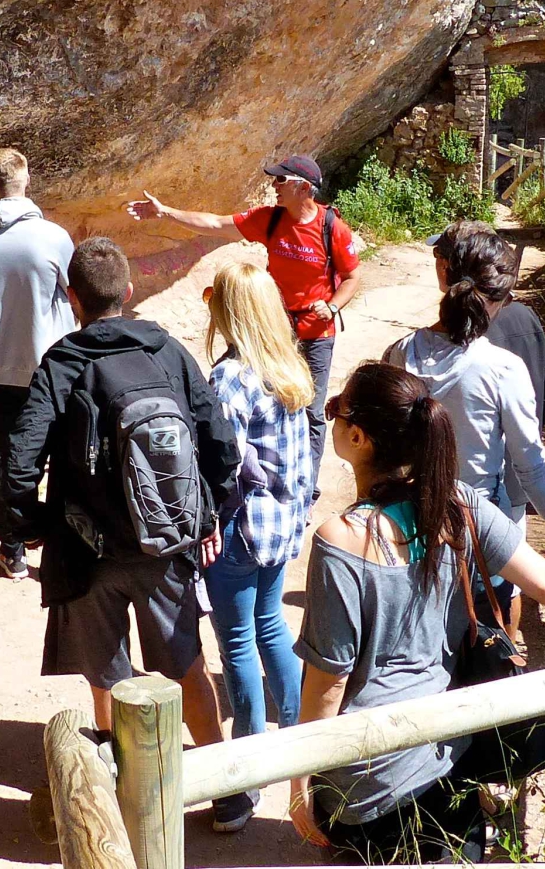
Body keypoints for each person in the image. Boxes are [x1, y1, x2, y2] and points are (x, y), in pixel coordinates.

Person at [289, 362, 545, 864]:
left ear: (357, 437)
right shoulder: (456, 504)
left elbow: (329, 681)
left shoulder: (341, 540)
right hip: (451, 749)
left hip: (368, 776)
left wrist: (299, 778)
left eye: (335, 409)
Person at [1, 237, 256, 832]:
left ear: (72, 298)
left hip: (86, 548)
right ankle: (226, 791)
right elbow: (220, 441)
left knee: (107, 674)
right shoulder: (167, 351)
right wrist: (207, 516)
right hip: (165, 545)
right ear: (130, 291)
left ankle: (125, 790)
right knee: (188, 663)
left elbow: (19, 459)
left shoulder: (63, 363)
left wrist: (29, 525)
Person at [125, 154, 362, 499]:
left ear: (303, 187)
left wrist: (332, 306)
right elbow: (215, 224)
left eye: (280, 180)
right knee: (255, 397)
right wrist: (165, 212)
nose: (274, 185)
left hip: (315, 334)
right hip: (271, 328)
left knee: (309, 411)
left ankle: (304, 490)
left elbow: (352, 276)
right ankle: (248, 477)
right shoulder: (271, 219)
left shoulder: (331, 228)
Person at [384, 228, 545, 637]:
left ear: (444, 274)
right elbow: (529, 462)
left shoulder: (401, 352)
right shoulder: (502, 369)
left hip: (412, 515)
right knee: (493, 625)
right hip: (479, 522)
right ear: (500, 296)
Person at [202, 263, 314, 739]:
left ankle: (248, 756)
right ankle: (297, 732)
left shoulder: (230, 377)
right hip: (280, 522)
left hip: (240, 527)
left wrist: (206, 520)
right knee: (270, 624)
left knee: (237, 643)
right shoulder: (289, 366)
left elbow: (223, 463)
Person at [0, 147, 76, 579]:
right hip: (51, 364)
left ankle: (13, 546)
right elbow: (74, 292)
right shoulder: (54, 237)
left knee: (0, 457)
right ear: (26, 180)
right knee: (60, 451)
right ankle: (59, 540)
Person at [427, 221, 545, 427]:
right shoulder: (525, 315)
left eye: (437, 254)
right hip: (524, 441)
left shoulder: (449, 331)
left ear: (446, 267)